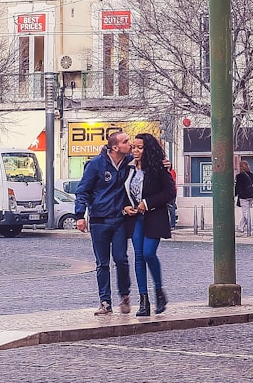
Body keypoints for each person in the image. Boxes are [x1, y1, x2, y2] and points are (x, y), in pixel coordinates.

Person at [72, 130, 134, 315]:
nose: (129, 144)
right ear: (115, 147)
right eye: (126, 141)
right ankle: (105, 302)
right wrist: (79, 215)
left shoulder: (129, 163)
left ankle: (124, 295)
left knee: (121, 258)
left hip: (120, 219)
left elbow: (150, 159)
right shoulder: (95, 165)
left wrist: (165, 164)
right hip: (99, 220)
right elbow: (82, 190)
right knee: (102, 263)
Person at [124, 133, 176, 317]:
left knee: (148, 253)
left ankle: (159, 292)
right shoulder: (128, 167)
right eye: (134, 147)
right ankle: (143, 300)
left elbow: (170, 192)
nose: (135, 151)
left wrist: (147, 203)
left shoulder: (158, 167)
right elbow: (123, 192)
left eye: (140, 147)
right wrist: (125, 207)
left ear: (148, 149)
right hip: (135, 218)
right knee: (138, 257)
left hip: (154, 216)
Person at [234, 159, 253, 234]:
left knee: (245, 212)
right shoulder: (251, 174)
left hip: (243, 196)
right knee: (246, 212)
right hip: (251, 196)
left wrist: (234, 194)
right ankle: (240, 227)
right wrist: (252, 191)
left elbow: (237, 186)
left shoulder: (239, 176)